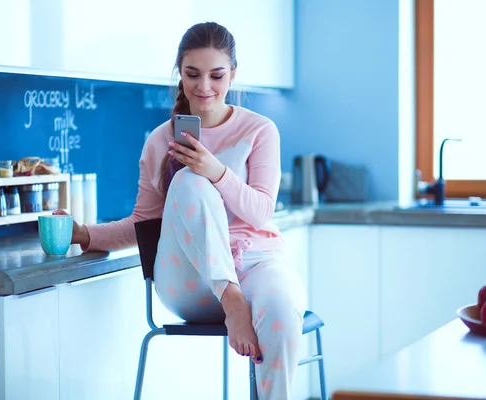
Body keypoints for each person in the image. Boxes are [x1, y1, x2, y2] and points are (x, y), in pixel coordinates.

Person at [55, 21, 307, 399]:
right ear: (180, 74)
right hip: (190, 282)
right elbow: (144, 225)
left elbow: (260, 212)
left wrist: (217, 171)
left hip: (255, 264)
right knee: (189, 182)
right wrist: (84, 234)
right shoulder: (159, 140)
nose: (204, 87)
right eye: (193, 74)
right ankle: (232, 299)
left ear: (233, 75)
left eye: (216, 75)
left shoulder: (260, 130)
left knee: (283, 308)